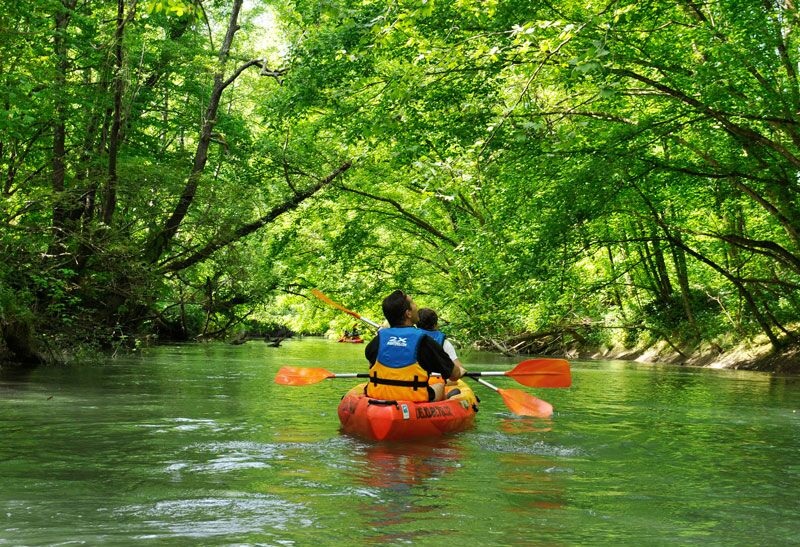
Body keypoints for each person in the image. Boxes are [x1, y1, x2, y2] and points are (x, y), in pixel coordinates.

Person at [365, 290, 466, 402]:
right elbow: (453, 375)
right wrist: (460, 371)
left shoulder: (377, 340)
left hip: (378, 396)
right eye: (413, 303)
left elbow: (371, 364)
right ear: (408, 313)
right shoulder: (424, 341)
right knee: (439, 386)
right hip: (413, 397)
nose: (416, 306)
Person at [417, 308, 464, 372]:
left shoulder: (411, 340)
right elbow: (459, 368)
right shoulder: (445, 343)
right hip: (438, 379)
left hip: (417, 378)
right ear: (435, 325)